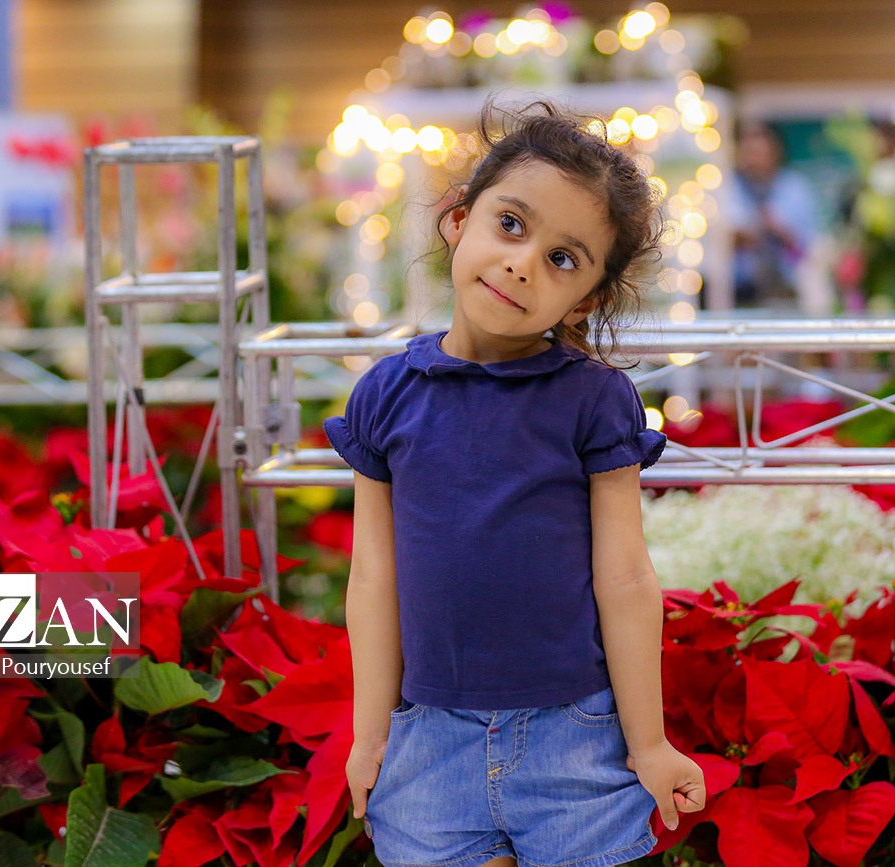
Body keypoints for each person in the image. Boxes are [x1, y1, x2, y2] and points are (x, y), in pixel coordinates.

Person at [325, 100, 706, 867]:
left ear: (587, 299)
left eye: (563, 258)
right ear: (458, 219)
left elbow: (626, 576)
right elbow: (372, 575)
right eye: (510, 224)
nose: (524, 262)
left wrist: (649, 743)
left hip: (574, 741)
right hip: (429, 743)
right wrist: (370, 737)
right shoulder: (385, 395)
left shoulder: (595, 400)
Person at [728, 119, 820, 310]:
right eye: (749, 151)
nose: (754, 158)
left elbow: (811, 248)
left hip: (788, 291)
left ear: (775, 151)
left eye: (759, 152)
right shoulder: (728, 187)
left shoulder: (794, 188)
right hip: (738, 293)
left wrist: (781, 232)